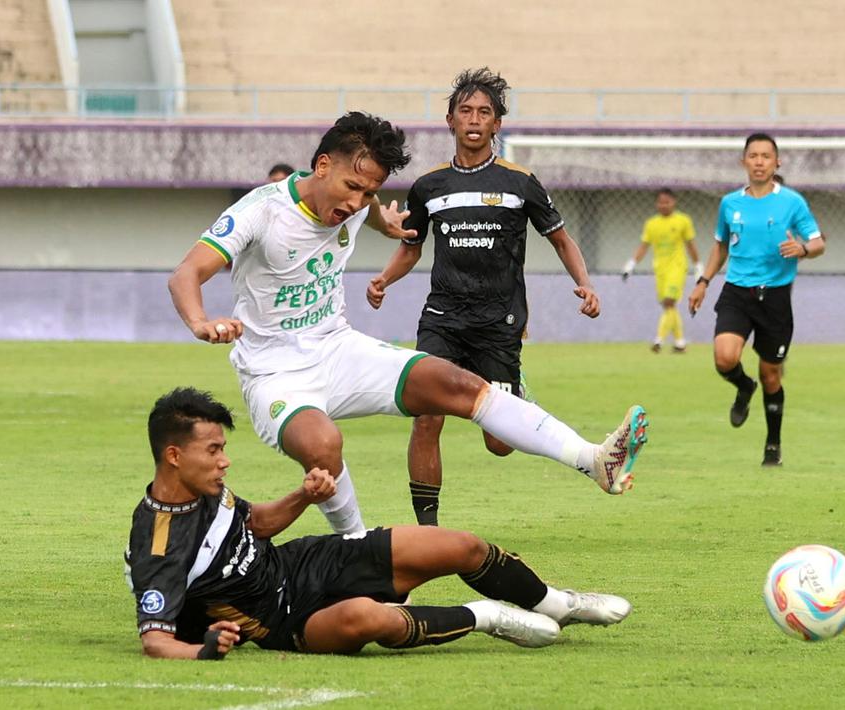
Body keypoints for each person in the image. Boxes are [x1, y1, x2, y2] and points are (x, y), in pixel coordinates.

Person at [169, 112, 647, 538]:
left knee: (462, 385)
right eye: (352, 188)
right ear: (322, 167)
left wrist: (387, 224)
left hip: (339, 350)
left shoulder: (357, 202)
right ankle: (358, 548)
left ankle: (593, 460)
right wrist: (200, 321)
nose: (357, 202)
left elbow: (368, 209)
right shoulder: (262, 211)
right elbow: (186, 274)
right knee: (324, 444)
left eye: (370, 192)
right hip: (275, 372)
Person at [126, 387, 632, 659]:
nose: (224, 461)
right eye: (213, 450)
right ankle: (486, 616)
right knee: (369, 620)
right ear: (174, 455)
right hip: (284, 622)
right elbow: (155, 639)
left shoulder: (207, 490)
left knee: (456, 546)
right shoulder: (159, 545)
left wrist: (303, 496)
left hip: (303, 561)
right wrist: (205, 650)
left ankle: (558, 604)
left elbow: (253, 524)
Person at [365, 68, 606, 526]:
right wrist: (383, 280)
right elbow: (411, 247)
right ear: (450, 121)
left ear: (497, 124)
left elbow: (561, 239)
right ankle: (428, 529)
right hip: (443, 317)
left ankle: (518, 396)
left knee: (499, 443)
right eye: (465, 111)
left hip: (500, 320)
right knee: (426, 415)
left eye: (485, 112)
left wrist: (586, 284)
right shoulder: (429, 187)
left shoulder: (521, 182)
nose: (474, 119)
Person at [688, 133, 824, 467]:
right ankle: (743, 386)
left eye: (766, 156)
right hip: (737, 292)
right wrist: (703, 281)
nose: (760, 161)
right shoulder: (729, 204)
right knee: (724, 358)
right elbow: (720, 246)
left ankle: (773, 444)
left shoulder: (792, 202)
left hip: (775, 297)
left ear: (777, 162)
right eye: (754, 156)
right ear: (744, 162)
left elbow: (818, 242)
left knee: (772, 376)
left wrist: (803, 249)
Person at [622, 188, 702, 354]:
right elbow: (644, 246)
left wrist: (698, 266)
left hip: (677, 268)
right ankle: (680, 343)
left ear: (674, 202)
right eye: (660, 202)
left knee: (669, 302)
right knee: (669, 307)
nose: (664, 205)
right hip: (660, 270)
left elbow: (691, 245)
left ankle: (659, 340)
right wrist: (630, 265)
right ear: (656, 204)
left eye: (667, 202)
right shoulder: (651, 224)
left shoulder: (683, 221)